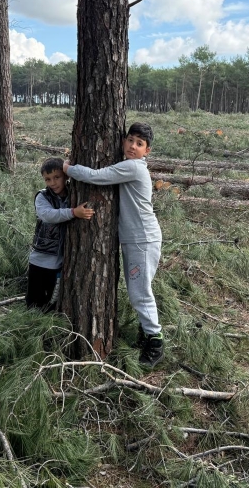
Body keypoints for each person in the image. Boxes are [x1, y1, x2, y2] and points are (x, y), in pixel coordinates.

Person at [64, 122, 164, 368]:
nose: (132, 146)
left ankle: (155, 342)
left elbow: (96, 177)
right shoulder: (131, 165)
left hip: (143, 240)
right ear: (123, 141)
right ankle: (147, 333)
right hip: (137, 239)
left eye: (139, 144)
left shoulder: (133, 167)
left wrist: (67, 168)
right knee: (138, 289)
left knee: (140, 293)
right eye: (130, 140)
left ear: (146, 151)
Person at [27, 157, 94, 310]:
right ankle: (31, 325)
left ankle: (49, 324)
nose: (52, 183)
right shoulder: (42, 196)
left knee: (53, 300)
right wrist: (73, 212)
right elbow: (48, 215)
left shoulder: (74, 193)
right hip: (40, 259)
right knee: (34, 301)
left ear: (66, 176)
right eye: (48, 179)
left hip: (59, 262)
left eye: (57, 177)